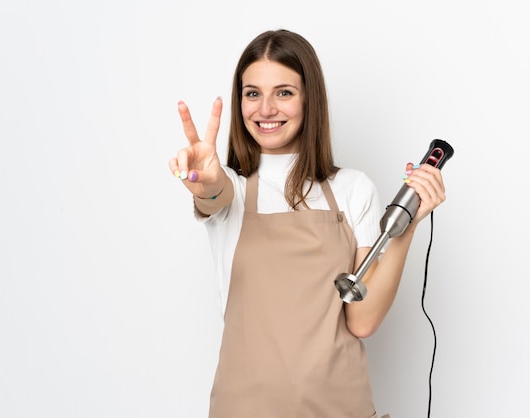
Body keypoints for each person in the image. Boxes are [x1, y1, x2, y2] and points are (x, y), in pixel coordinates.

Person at [168, 29, 446, 418]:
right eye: (252, 93)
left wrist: (408, 228)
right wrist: (206, 182)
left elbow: (362, 321)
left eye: (284, 92)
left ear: (309, 98)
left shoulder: (352, 189)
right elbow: (213, 196)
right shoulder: (231, 187)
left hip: (339, 408)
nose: (265, 109)